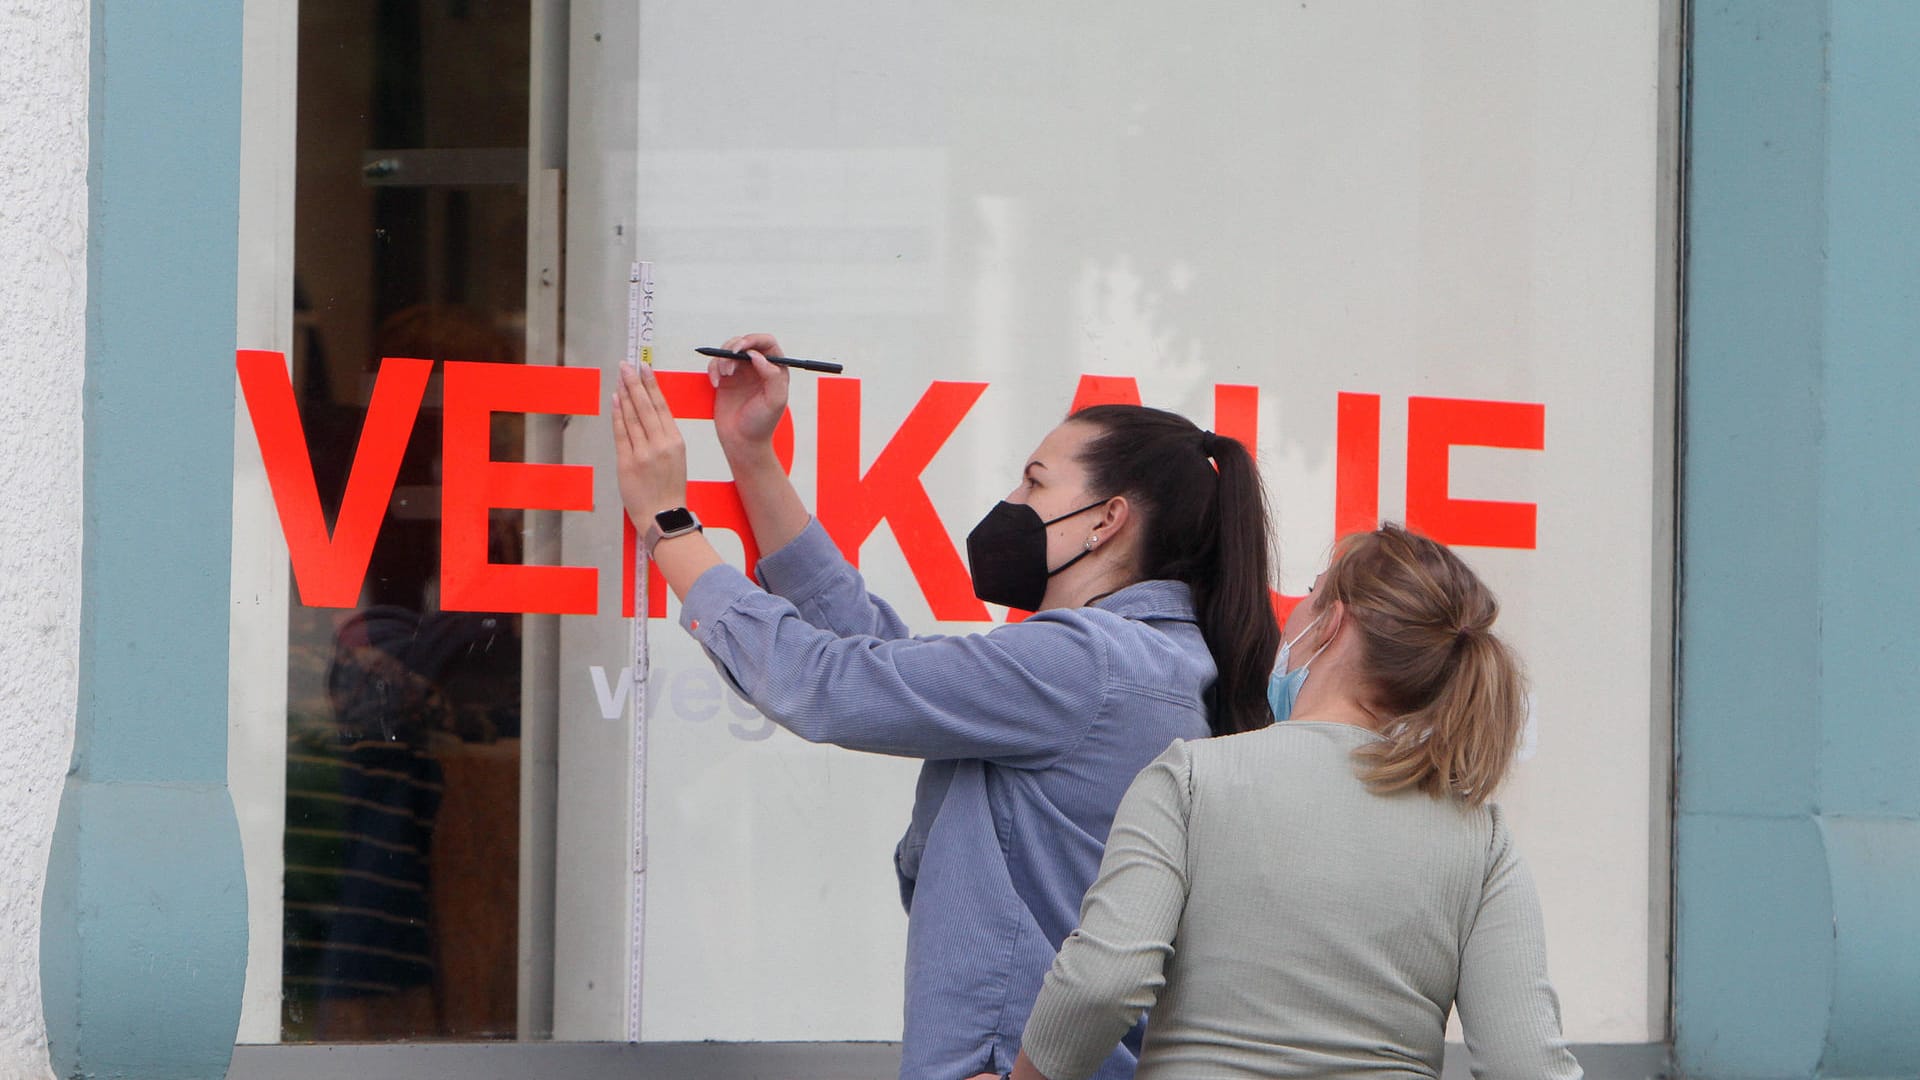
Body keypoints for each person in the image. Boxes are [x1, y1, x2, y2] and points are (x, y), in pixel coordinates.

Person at [609, 333, 1279, 1080]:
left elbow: (829, 683)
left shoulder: (1087, 663)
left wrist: (667, 521)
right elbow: (877, 654)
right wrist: (752, 457)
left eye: (1034, 482)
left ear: (1106, 519)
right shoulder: (1146, 661)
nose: (1012, 503)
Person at [1011, 524, 1582, 1080]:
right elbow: (1526, 1061)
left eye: (1311, 593)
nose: (1296, 611)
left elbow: (1104, 981)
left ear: (1333, 624)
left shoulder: (1192, 778)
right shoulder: (1479, 837)